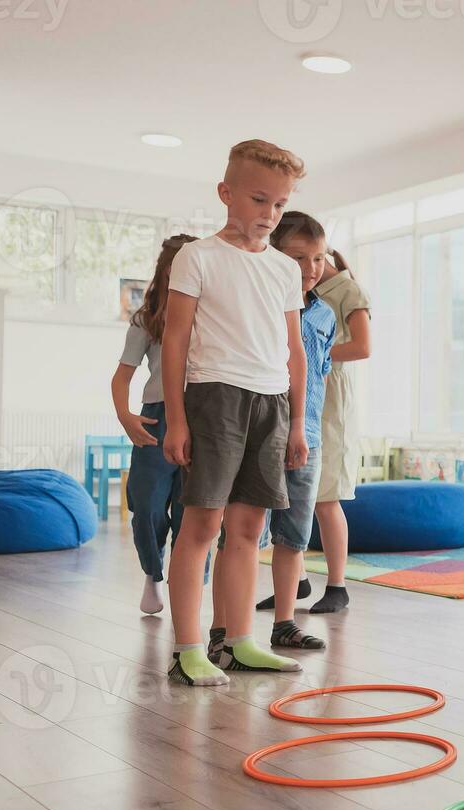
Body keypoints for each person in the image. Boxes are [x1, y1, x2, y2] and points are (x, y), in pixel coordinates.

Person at [160, 138, 310, 686]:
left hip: (271, 402)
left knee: (250, 528)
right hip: (215, 396)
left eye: (278, 204)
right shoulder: (196, 256)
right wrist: (176, 418)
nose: (268, 214)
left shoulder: (284, 270)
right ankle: (187, 648)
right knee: (202, 523)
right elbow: (175, 340)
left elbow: (294, 351)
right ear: (226, 194)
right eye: (257, 200)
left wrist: (296, 422)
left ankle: (239, 642)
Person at [206, 211, 335, 656]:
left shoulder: (323, 315)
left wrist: (304, 428)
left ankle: (285, 623)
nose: (310, 268)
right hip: (264, 428)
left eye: (318, 258)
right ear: (277, 255)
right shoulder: (261, 302)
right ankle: (222, 629)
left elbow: (315, 374)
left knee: (294, 535)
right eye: (299, 257)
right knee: (240, 534)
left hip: (307, 433)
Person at [110, 233, 199, 615]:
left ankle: (188, 585)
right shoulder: (147, 320)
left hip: (202, 415)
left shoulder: (212, 316)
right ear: (166, 272)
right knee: (145, 505)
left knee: (190, 509)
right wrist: (126, 416)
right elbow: (121, 377)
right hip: (157, 416)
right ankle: (152, 572)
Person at [307, 249, 372, 614]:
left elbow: (362, 346)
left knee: (325, 497)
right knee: (295, 494)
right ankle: (297, 579)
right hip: (304, 394)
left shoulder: (349, 292)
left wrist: (314, 352)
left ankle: (337, 585)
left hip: (332, 401)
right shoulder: (305, 291)